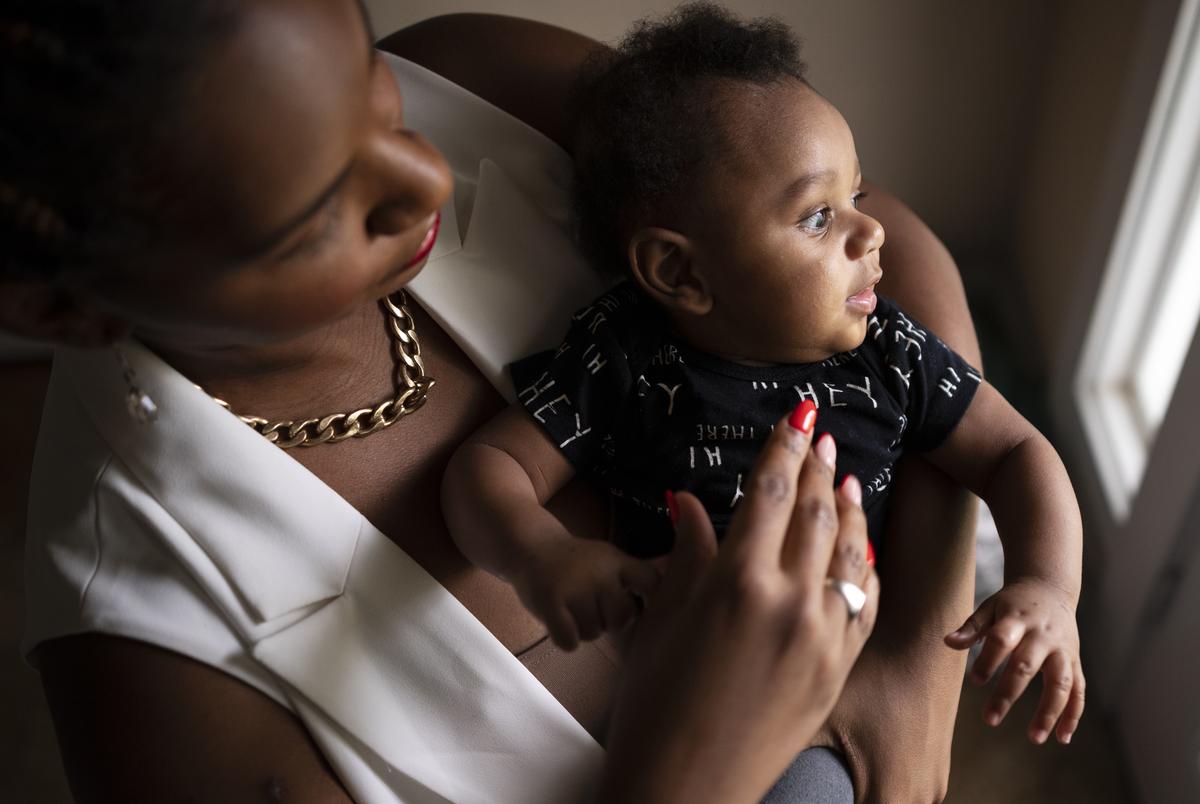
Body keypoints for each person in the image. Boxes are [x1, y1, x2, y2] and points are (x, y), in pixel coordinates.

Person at [3, 1, 967, 801]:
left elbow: (891, 242)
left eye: (374, 103)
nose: (423, 177)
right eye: (309, 219)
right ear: (64, 308)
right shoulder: (147, 677)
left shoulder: (466, 72)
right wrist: (695, 772)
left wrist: (918, 667)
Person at [445, 3, 1086, 760]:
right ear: (680, 270)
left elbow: (1016, 449)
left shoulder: (889, 350)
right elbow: (490, 468)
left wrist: (1050, 586)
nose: (870, 233)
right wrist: (541, 554)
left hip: (845, 682)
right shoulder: (626, 356)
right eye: (818, 217)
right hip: (686, 691)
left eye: (859, 198)